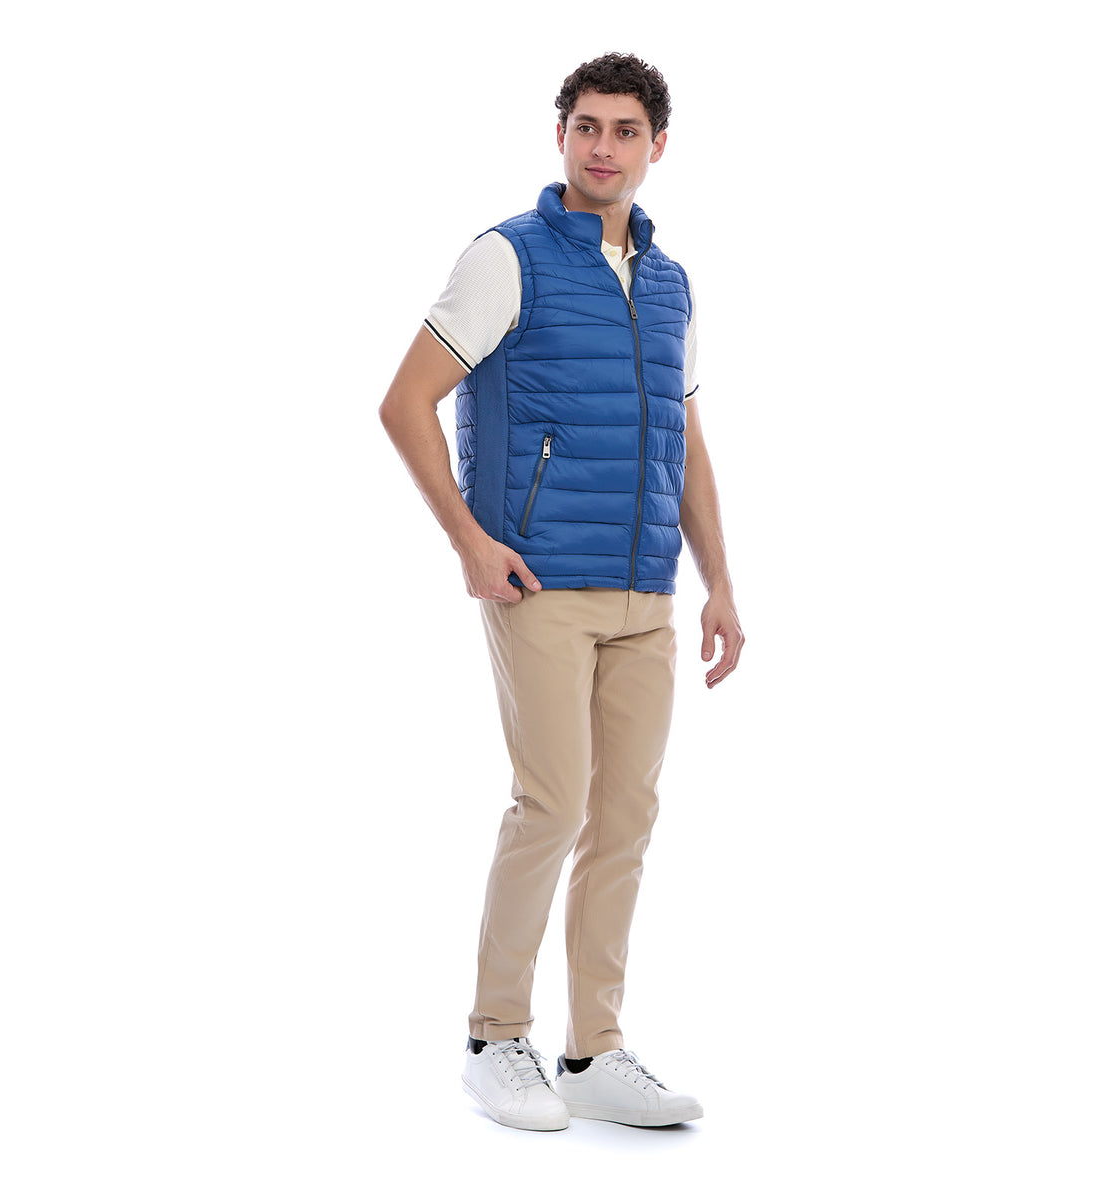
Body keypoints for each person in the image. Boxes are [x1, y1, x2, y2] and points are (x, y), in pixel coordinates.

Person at [378, 52, 743, 1131]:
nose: (603, 147)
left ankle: (594, 1051)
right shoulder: (508, 257)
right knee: (554, 804)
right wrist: (469, 541)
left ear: (658, 146)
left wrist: (720, 582)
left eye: (625, 130)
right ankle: (496, 1036)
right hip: (537, 579)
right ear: (560, 136)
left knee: (625, 815)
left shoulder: (671, 283)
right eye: (586, 125)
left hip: (645, 591)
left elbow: (686, 440)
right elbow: (404, 402)